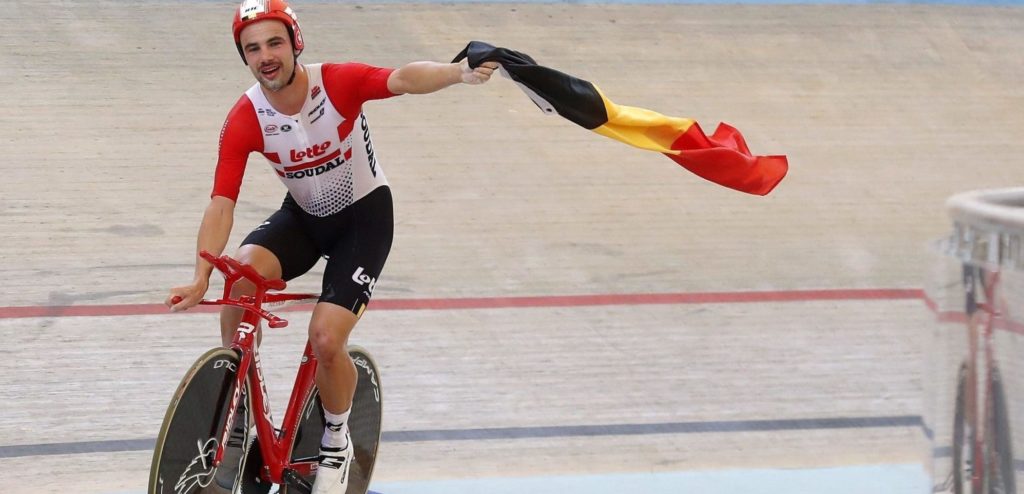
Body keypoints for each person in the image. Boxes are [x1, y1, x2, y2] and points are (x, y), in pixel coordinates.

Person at [164, 1, 498, 492]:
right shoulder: (246, 115)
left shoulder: (336, 82)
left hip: (363, 222)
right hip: (303, 219)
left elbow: (403, 78)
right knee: (237, 280)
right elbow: (221, 203)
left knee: (325, 339)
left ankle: (336, 441)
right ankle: (237, 411)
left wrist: (457, 73)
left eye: (275, 43)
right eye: (252, 49)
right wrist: (201, 276)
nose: (265, 56)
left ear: (296, 42)